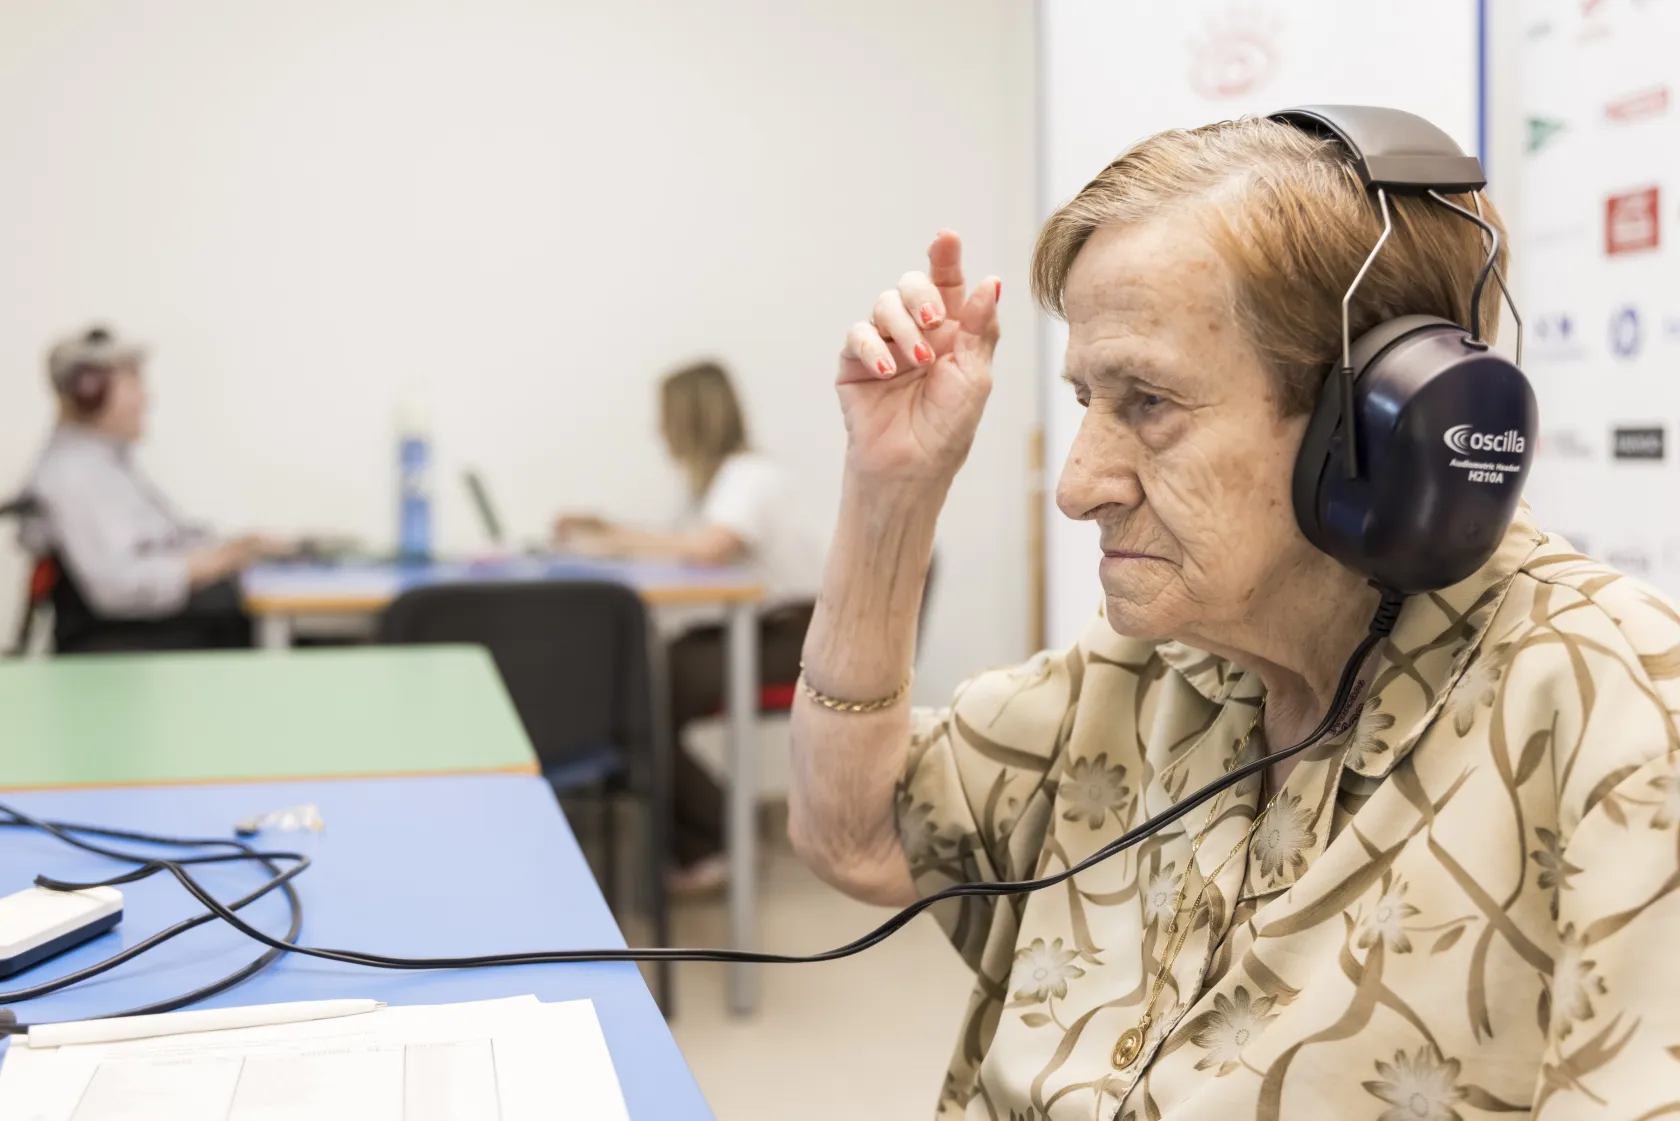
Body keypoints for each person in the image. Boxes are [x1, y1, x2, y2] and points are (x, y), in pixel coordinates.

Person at [789, 117, 1680, 1119]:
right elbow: (856, 832)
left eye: (1149, 402)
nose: (1079, 485)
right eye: (1087, 396)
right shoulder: (1159, 661)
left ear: (1379, 425)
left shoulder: (1617, 704)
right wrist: (890, 492)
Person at [556, 360, 822, 894]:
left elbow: (708, 548)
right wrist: (609, 530)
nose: (659, 430)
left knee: (639, 699)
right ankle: (708, 838)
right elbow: (684, 542)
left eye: (665, 417)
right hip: (749, 631)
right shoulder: (716, 484)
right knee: (635, 692)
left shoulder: (750, 476)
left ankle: (723, 838)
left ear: (689, 418)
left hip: (789, 638)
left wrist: (611, 542)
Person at [16, 325, 286, 652]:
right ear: (89, 391)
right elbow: (117, 588)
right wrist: (219, 561)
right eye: (133, 383)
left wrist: (233, 550)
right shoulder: (70, 476)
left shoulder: (108, 464)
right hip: (117, 639)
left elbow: (164, 538)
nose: (146, 397)